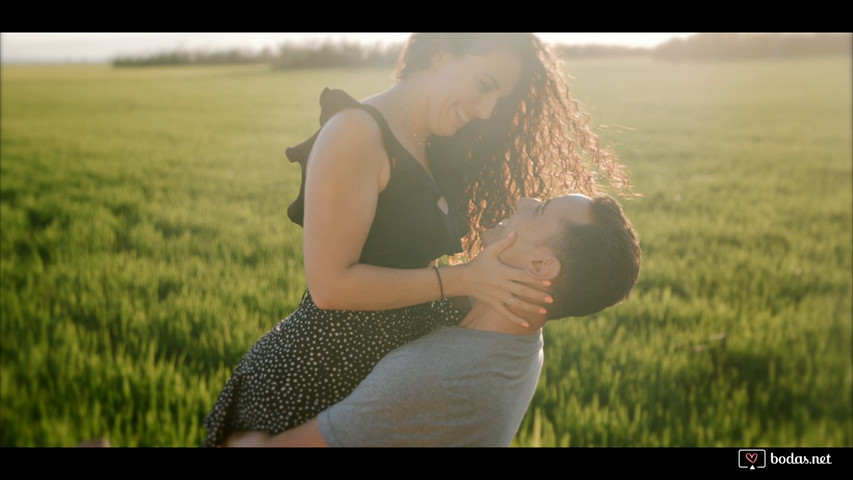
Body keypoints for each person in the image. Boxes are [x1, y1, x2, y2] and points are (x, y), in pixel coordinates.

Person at [203, 33, 631, 447]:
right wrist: (464, 279)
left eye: (498, 99)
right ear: (442, 53)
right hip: (313, 377)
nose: (486, 110)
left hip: (382, 373)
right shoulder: (355, 133)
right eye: (485, 85)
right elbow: (330, 288)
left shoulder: (437, 143)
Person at [225, 193, 642, 447]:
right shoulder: (520, 340)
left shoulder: (432, 379)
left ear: (539, 265)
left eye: (540, 210)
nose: (523, 202)